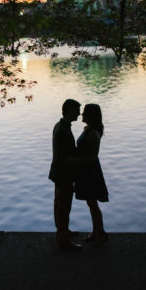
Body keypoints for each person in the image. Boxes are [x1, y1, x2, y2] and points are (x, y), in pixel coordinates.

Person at [49, 99, 84, 251]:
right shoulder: (63, 130)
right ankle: (63, 239)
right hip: (64, 174)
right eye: (77, 110)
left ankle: (62, 231)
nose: (79, 113)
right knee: (64, 205)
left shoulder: (60, 125)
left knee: (59, 202)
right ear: (69, 111)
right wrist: (84, 161)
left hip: (57, 171)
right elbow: (65, 158)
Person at [75, 103, 109, 245]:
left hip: (91, 171)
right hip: (85, 170)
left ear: (91, 116)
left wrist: (74, 161)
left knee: (93, 203)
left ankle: (101, 233)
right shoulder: (88, 129)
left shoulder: (94, 133)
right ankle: (95, 231)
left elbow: (93, 156)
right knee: (90, 202)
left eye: (84, 113)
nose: (82, 115)